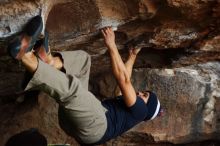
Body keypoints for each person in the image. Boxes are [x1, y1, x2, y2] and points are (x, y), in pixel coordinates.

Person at [8, 16, 162, 145]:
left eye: (145, 95)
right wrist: (133, 56)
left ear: (146, 107)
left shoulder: (141, 112)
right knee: (83, 61)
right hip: (82, 125)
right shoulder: (130, 111)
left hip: (97, 126)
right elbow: (125, 79)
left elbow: (123, 80)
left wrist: (111, 45)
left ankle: (25, 56)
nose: (140, 93)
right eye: (144, 92)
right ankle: (49, 62)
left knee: (73, 90)